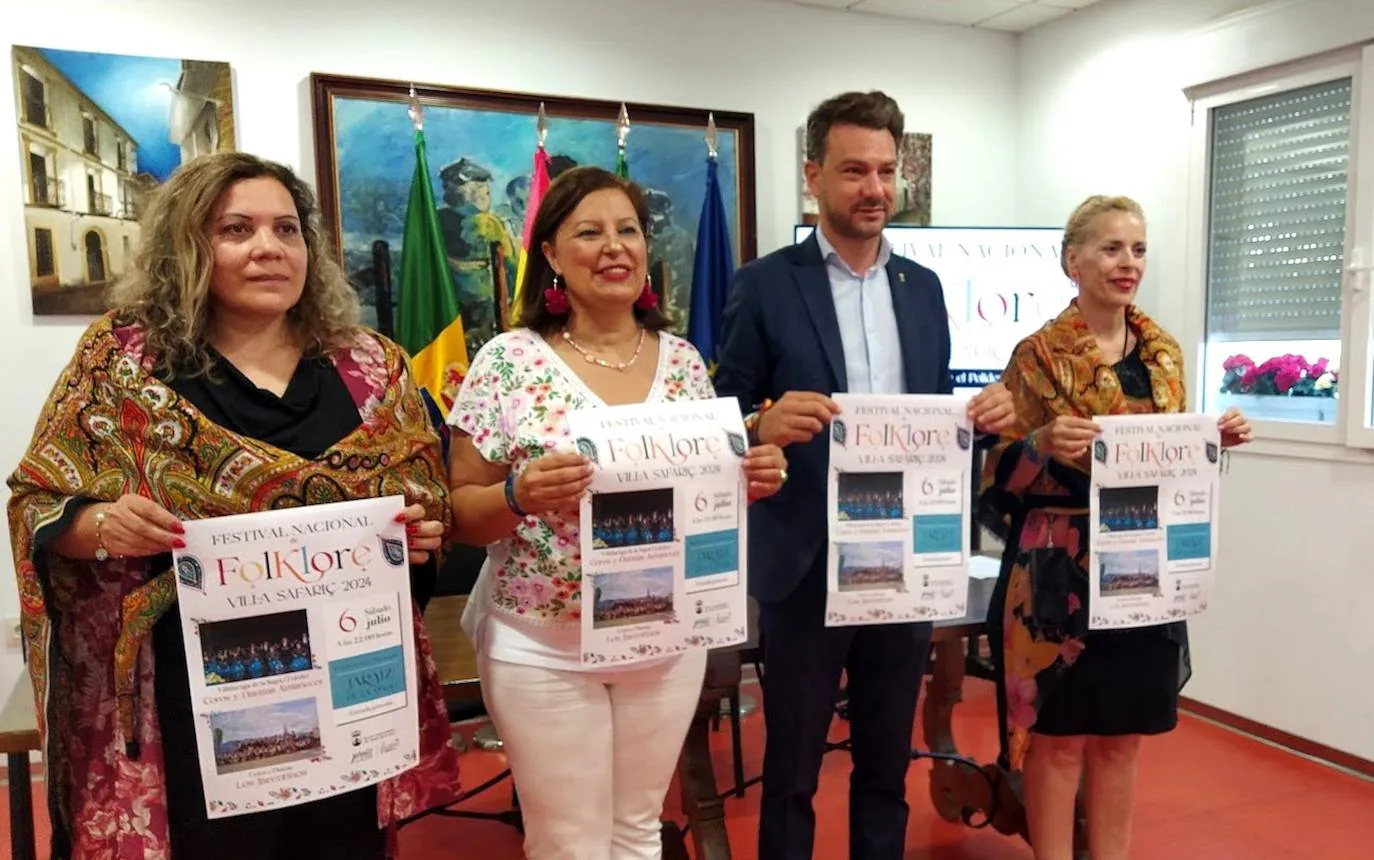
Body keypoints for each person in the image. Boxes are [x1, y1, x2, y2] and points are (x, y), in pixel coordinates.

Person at [6, 152, 462, 860]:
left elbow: (423, 500)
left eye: (287, 229)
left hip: (348, 673)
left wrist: (422, 532)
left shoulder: (372, 366)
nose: (268, 248)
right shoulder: (123, 361)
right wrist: (102, 526)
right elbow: (42, 499)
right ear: (188, 246)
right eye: (236, 229)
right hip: (191, 691)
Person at [446, 165, 788, 859]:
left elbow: (701, 496)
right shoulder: (507, 361)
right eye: (589, 232)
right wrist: (519, 496)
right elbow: (462, 512)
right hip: (543, 646)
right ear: (550, 254)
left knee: (637, 830)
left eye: (628, 230)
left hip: (665, 638)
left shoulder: (686, 363)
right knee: (569, 841)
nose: (614, 248)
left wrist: (749, 476)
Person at [712, 90, 1016, 860]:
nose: (874, 189)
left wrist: (977, 424)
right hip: (806, 562)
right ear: (813, 176)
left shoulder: (925, 289)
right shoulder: (765, 282)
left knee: (887, 762)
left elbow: (933, 422)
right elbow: (721, 414)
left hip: (904, 560)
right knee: (792, 771)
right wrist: (756, 425)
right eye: (854, 170)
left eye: (886, 171)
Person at [978, 195, 1253, 860]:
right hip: (1056, 577)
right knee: (1062, 740)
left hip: (1144, 576)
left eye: (1137, 249)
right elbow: (996, 475)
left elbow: (1173, 464)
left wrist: (1214, 439)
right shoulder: (1037, 355)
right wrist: (1041, 443)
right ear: (1072, 260)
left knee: (1123, 739)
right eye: (1111, 248)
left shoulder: (1164, 357)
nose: (1127, 263)